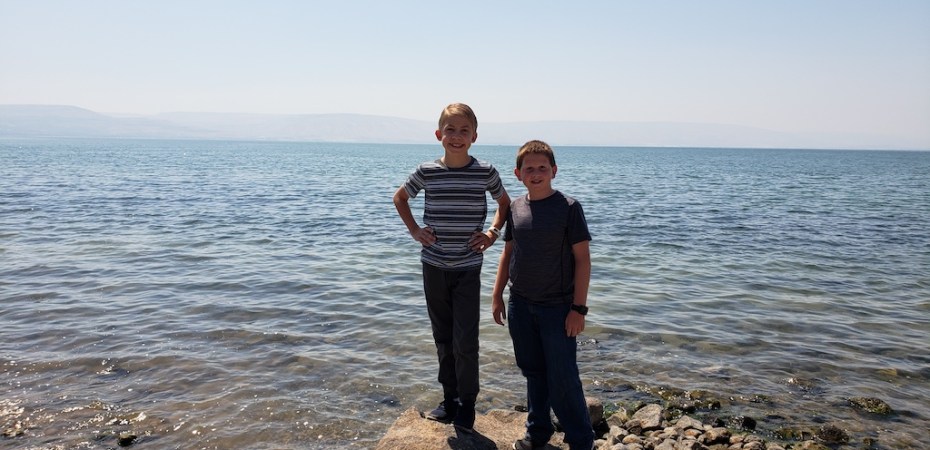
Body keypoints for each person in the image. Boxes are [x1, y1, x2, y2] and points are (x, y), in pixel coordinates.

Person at [393, 103, 510, 431]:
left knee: (465, 338)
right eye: (450, 130)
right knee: (442, 335)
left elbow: (504, 204)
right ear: (438, 135)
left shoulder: (484, 171)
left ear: (474, 136)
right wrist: (415, 230)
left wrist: (492, 233)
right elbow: (400, 198)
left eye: (463, 131)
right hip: (433, 265)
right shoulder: (426, 171)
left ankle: (467, 404)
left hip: (468, 267)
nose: (456, 136)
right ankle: (449, 399)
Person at [491, 140, 594, 450]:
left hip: (558, 308)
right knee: (534, 373)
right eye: (529, 169)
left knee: (563, 377)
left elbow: (583, 260)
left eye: (542, 168)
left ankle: (581, 441)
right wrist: (497, 296)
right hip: (520, 304)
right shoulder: (515, 208)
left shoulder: (568, 208)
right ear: (518, 173)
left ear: (554, 171)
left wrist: (578, 309)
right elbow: (508, 253)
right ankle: (537, 434)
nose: (536, 173)